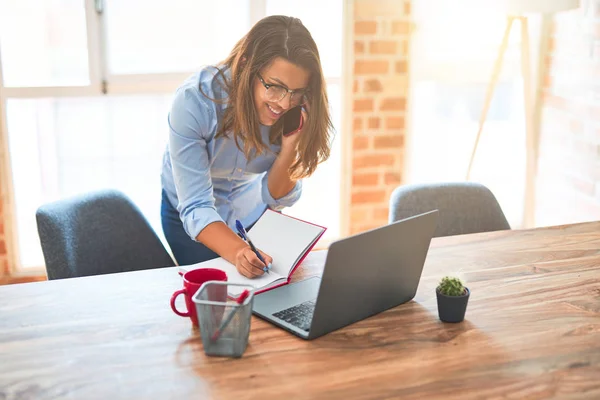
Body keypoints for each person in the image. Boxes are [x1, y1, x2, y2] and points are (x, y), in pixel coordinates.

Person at [160, 15, 333, 279]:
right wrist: (240, 252)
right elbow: (196, 206)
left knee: (261, 297)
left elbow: (274, 197)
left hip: (247, 213)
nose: (285, 103)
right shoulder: (195, 102)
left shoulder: (293, 108)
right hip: (192, 220)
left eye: (297, 92)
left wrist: (290, 147)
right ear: (246, 66)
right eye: (275, 87)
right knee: (217, 300)